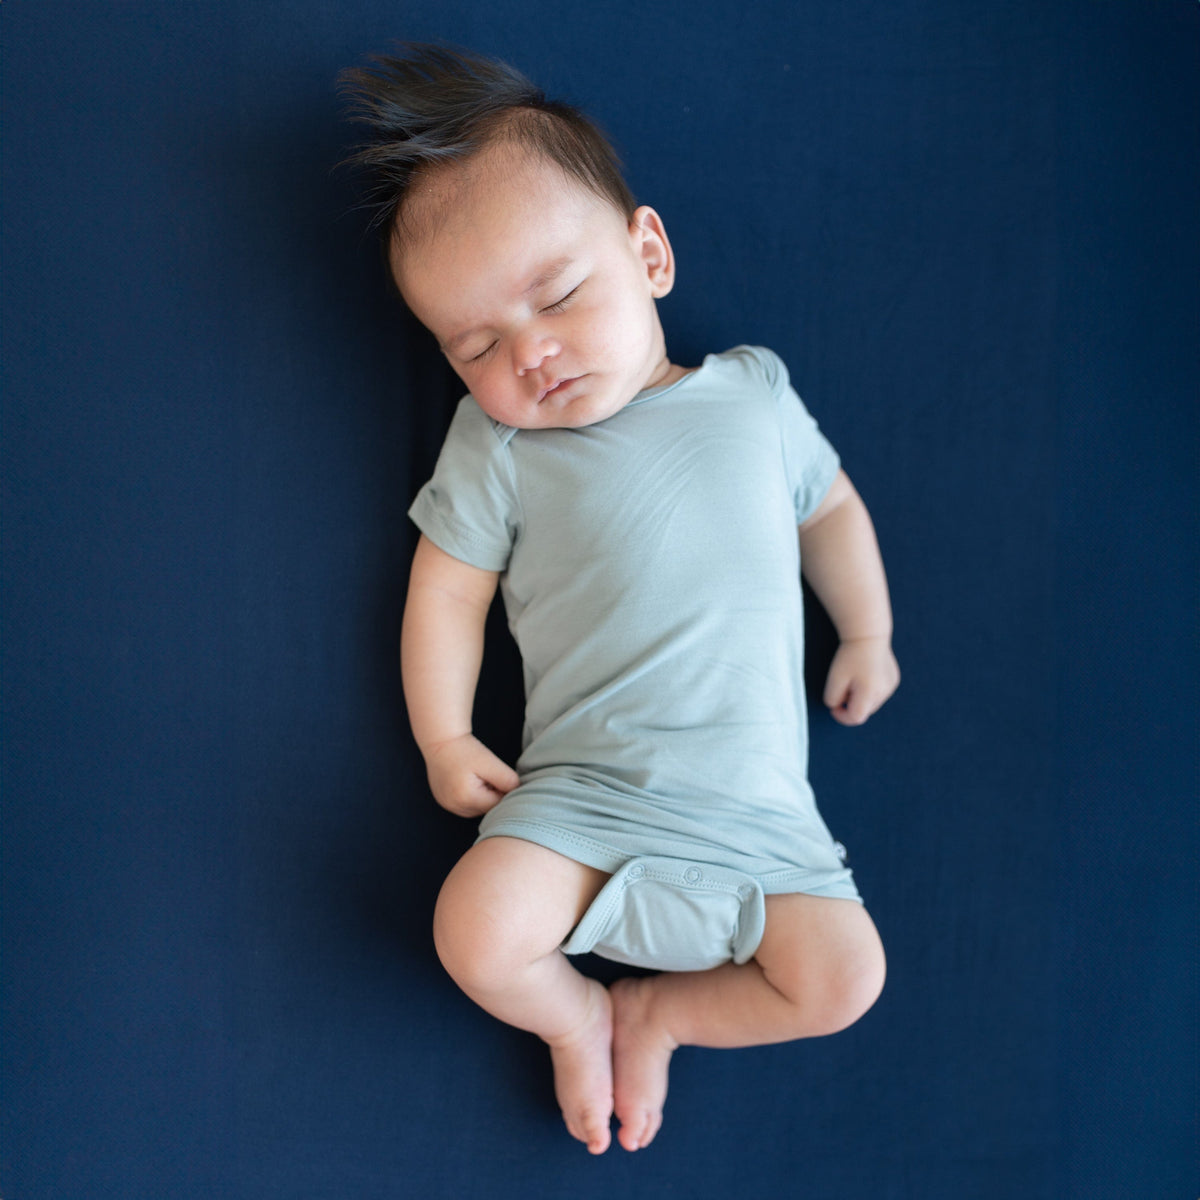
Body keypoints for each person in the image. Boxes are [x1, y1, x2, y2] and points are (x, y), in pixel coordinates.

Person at [341, 43, 900, 1155]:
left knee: (845, 980)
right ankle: (576, 1017)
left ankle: (657, 1016)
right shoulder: (499, 444)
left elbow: (832, 508)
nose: (532, 354)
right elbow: (444, 592)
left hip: (760, 822)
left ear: (648, 254)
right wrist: (444, 737)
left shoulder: (753, 396)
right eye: (476, 346)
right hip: (583, 805)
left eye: (557, 296)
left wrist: (868, 629)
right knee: (475, 930)